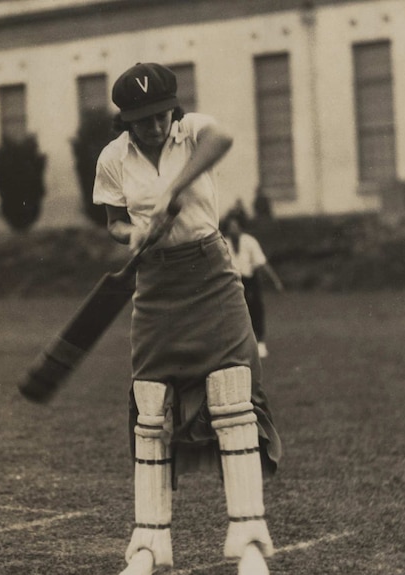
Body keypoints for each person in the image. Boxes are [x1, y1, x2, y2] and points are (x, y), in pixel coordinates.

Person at [93, 63, 282, 574]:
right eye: (141, 120)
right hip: (155, 284)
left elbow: (223, 137)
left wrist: (177, 186)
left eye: (159, 116)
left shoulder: (194, 131)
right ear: (126, 122)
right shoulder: (113, 158)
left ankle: (248, 544)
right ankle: (148, 547)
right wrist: (132, 235)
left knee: (233, 396)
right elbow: (112, 220)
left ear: (172, 110)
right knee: (150, 407)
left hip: (211, 274)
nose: (153, 128)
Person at [223, 212, 284, 358]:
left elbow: (262, 263)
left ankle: (261, 343)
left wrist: (276, 281)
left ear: (241, 227)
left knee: (255, 310)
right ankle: (239, 346)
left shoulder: (249, 242)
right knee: (235, 314)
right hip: (232, 282)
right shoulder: (223, 243)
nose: (233, 230)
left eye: (235, 226)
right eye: (230, 227)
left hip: (250, 281)